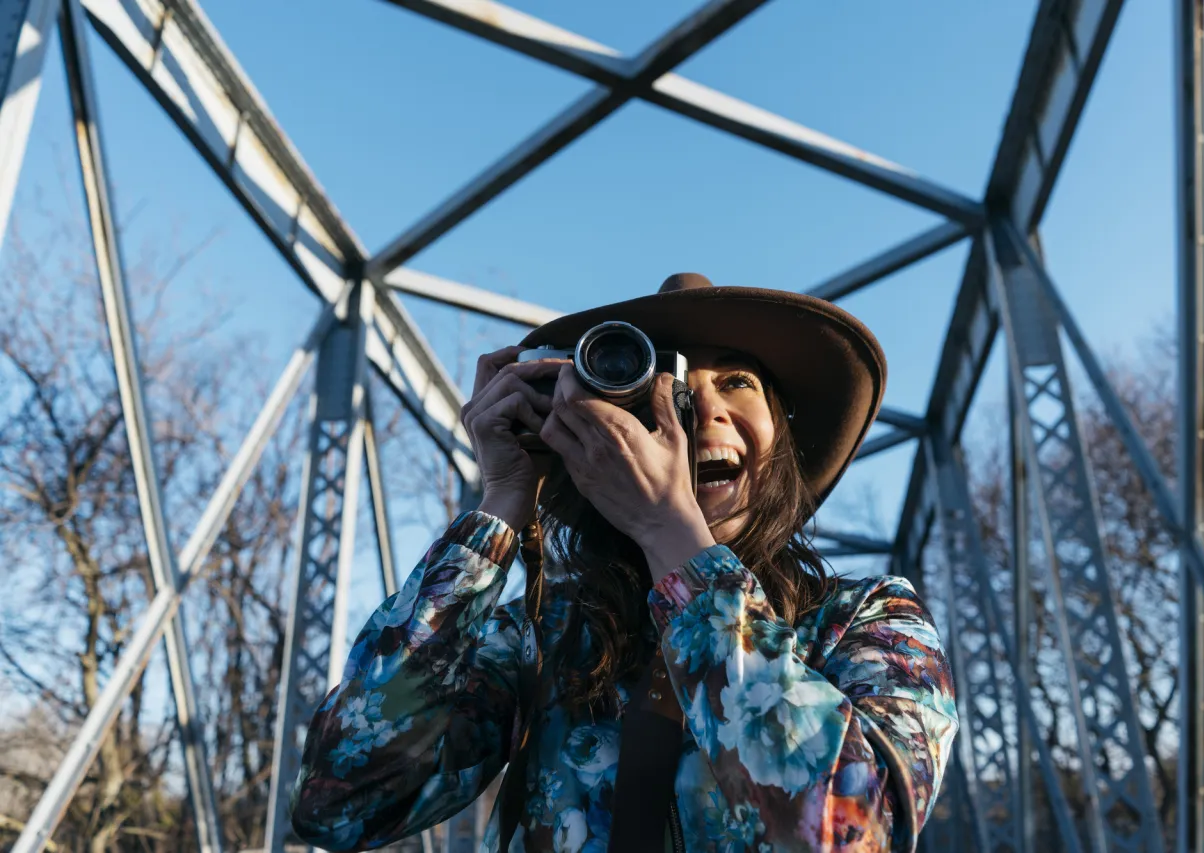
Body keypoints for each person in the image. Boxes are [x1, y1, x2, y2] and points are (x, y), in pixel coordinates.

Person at [288, 273, 958, 852]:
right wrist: (499, 507)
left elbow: (854, 833)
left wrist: (674, 538)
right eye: (662, 383)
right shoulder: (544, 641)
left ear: (781, 435)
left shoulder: (869, 621)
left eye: (737, 380)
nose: (697, 407)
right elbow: (341, 801)